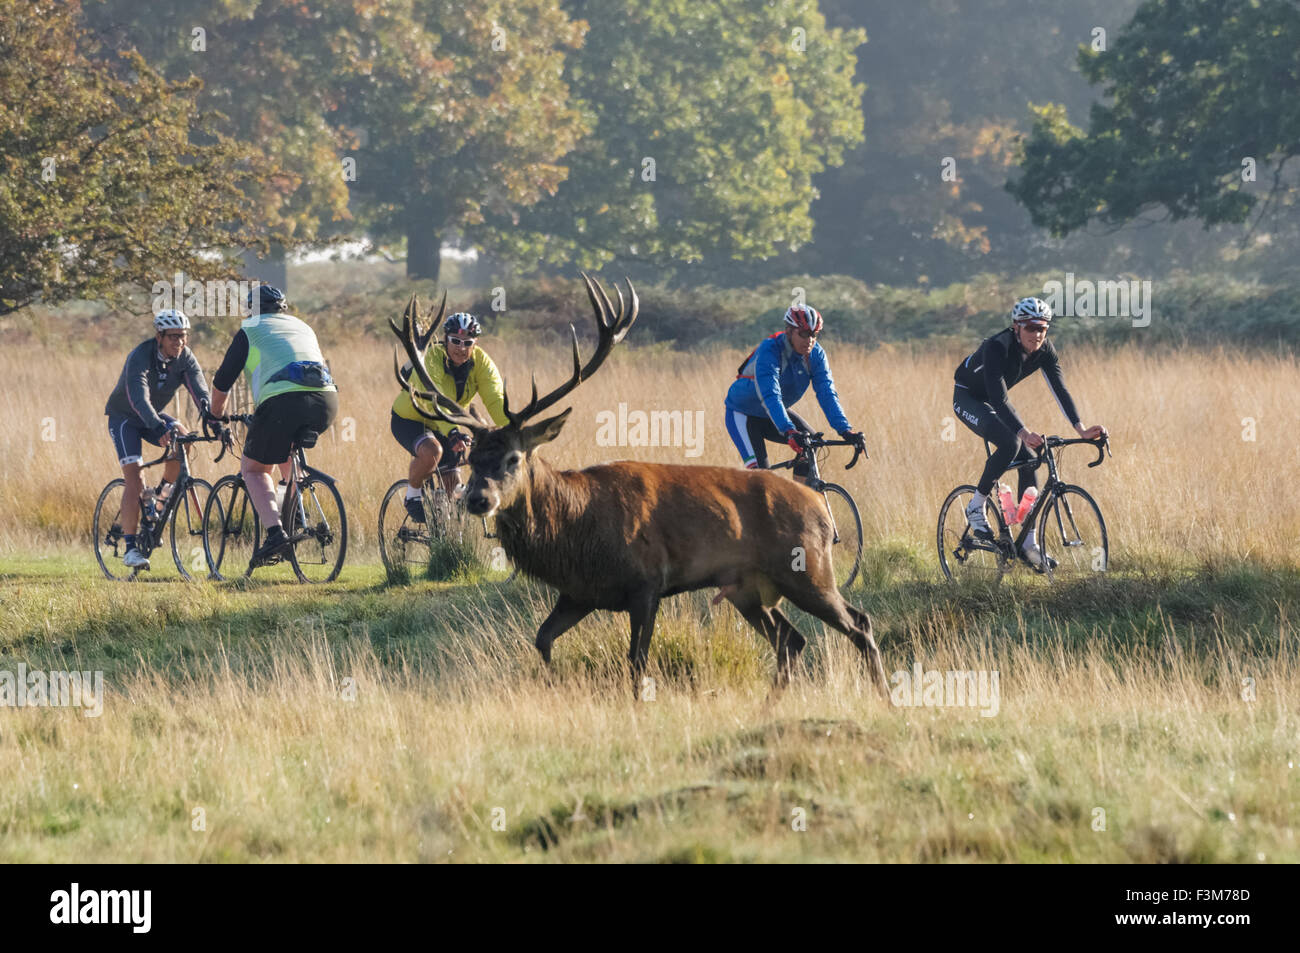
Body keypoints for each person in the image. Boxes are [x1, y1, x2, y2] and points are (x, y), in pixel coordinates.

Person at [953, 296, 1108, 570]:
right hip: (969, 398)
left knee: (1031, 458)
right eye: (1031, 327)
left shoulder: (1045, 351)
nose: (1037, 334)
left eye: (1042, 328)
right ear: (1016, 327)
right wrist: (1024, 432)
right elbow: (999, 400)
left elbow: (1060, 389)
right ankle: (976, 506)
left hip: (991, 401)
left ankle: (1027, 543)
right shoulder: (996, 347)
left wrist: (1081, 429)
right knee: (1011, 442)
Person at [207, 284, 338, 566]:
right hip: (326, 400)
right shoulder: (302, 326)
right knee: (287, 451)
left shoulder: (250, 329)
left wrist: (215, 416)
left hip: (284, 402)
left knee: (254, 469)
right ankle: (297, 512)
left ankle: (276, 534)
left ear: (252, 311)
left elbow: (223, 380)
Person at [104, 310, 211, 570]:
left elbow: (200, 391)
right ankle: (130, 549)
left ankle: (159, 498)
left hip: (152, 416)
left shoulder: (184, 358)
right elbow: (138, 398)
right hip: (125, 418)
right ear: (159, 336)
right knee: (135, 478)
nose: (179, 342)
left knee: (183, 437)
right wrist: (157, 426)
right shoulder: (141, 356)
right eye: (173, 337)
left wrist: (213, 420)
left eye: (183, 336)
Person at [723, 304, 866, 483]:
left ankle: (796, 505)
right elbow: (771, 395)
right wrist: (789, 430)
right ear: (789, 331)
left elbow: (827, 393)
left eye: (814, 334)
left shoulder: (816, 355)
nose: (810, 340)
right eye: (804, 334)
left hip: (772, 414)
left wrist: (845, 430)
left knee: (811, 444)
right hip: (743, 414)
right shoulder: (770, 349)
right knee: (763, 480)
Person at [390, 311, 509, 522]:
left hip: (444, 423)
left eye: (467, 342)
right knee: (432, 451)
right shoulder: (432, 357)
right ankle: (413, 496)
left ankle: (447, 535)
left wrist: (511, 432)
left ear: (475, 343)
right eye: (455, 341)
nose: (461, 348)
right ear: (446, 339)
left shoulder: (481, 362)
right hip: (410, 418)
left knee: (454, 486)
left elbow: (495, 400)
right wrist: (453, 432)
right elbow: (432, 399)